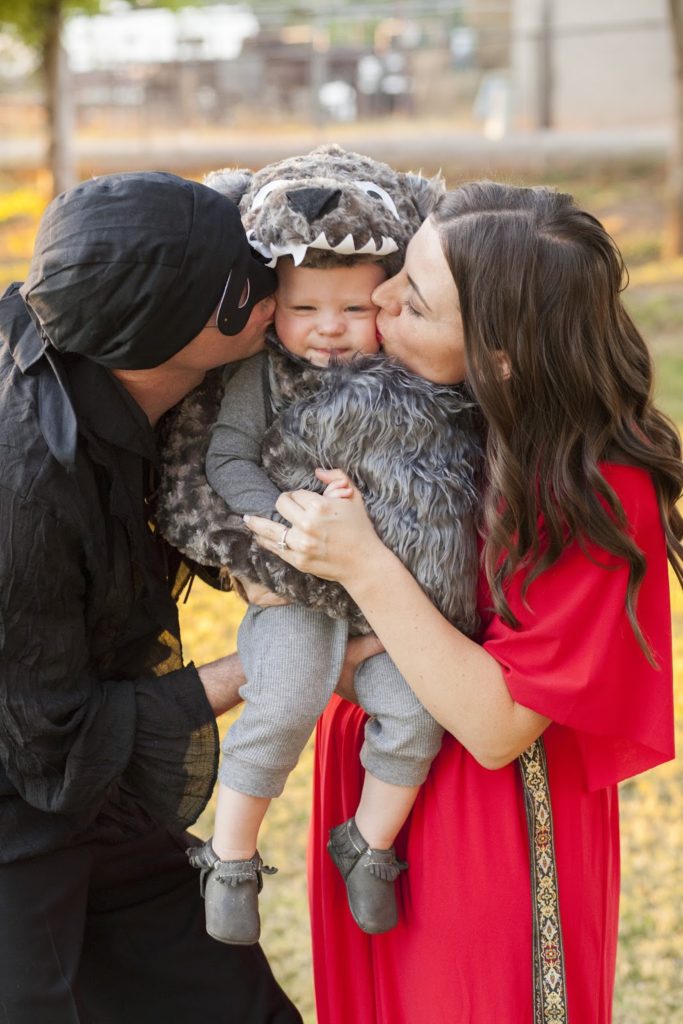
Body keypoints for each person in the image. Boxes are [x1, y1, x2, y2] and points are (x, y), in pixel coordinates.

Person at [244, 182, 683, 1023]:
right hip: (371, 773)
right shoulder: (404, 406)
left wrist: (364, 569)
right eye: (399, 274)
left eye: (412, 301)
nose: (376, 300)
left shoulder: (593, 485)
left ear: (500, 357)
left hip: (491, 821)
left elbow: (495, 724)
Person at [0, 170, 303, 1024]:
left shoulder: (140, 373)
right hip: (18, 812)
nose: (273, 285)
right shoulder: (26, 485)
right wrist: (258, 664)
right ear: (169, 333)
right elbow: (47, 734)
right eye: (245, 281)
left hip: (98, 792)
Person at [190, 252, 482, 945]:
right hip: (294, 586)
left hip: (382, 589)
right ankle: (229, 857)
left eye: (353, 310)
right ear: (271, 313)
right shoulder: (261, 375)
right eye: (305, 310)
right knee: (286, 698)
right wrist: (290, 519)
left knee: (415, 709)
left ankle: (367, 841)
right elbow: (227, 458)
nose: (329, 329)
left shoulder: (405, 377)